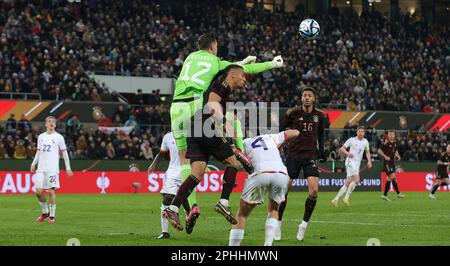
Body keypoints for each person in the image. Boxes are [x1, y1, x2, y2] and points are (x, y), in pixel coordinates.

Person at [169, 32, 284, 221]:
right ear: (213, 47)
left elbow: (230, 70)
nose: (244, 80)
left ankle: (186, 206)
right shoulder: (216, 67)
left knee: (185, 163)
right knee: (234, 157)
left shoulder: (190, 57)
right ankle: (224, 200)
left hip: (176, 107)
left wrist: (241, 62)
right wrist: (271, 64)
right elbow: (235, 72)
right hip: (196, 107)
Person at [163, 65, 254, 231]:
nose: (244, 79)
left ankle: (173, 208)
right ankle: (223, 202)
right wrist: (229, 142)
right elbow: (213, 105)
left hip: (195, 130)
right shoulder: (222, 86)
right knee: (234, 164)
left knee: (196, 174)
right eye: (242, 76)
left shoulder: (224, 90)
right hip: (206, 128)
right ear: (232, 75)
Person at [229, 129, 300, 246]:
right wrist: (280, 145)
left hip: (260, 173)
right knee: (274, 209)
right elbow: (296, 133)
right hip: (281, 173)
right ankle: (268, 245)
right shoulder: (270, 137)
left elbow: (236, 163)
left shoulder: (245, 143)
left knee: (242, 215)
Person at [277, 87, 326, 241]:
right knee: (284, 191)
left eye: (309, 95)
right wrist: (280, 144)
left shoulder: (320, 115)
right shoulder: (292, 113)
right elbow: (280, 129)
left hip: (310, 155)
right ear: (301, 98)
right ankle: (278, 222)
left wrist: (323, 151)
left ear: (314, 99)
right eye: (304, 95)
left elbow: (321, 134)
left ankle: (303, 225)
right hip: (294, 155)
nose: (306, 98)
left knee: (314, 191)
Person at [147, 132, 192, 238]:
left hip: (187, 172)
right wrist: (153, 164)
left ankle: (189, 216)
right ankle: (165, 232)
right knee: (167, 198)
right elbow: (162, 153)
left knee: (184, 199)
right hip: (172, 173)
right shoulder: (167, 137)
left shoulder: (191, 134)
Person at [30, 116, 73, 223]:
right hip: (41, 168)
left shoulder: (59, 137)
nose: (51, 123)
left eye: (53, 122)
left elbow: (64, 153)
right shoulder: (41, 137)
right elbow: (38, 151)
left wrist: (68, 168)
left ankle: (52, 216)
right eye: (49, 121)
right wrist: (33, 164)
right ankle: (45, 212)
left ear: (55, 124)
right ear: (45, 124)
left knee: (51, 191)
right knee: (38, 192)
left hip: (52, 169)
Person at [331, 126, 372, 207]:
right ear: (356, 132)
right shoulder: (351, 140)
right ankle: (346, 198)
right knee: (357, 179)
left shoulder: (366, 142)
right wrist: (348, 153)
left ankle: (335, 199)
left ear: (364, 133)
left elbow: (367, 152)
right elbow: (342, 149)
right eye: (359, 131)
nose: (360, 133)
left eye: (362, 131)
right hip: (350, 162)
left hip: (357, 163)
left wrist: (369, 160)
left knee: (348, 181)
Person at [378, 130, 405, 201]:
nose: (391, 136)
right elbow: (379, 151)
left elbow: (395, 150)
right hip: (387, 163)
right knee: (392, 177)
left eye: (392, 135)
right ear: (388, 135)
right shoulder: (386, 142)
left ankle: (385, 195)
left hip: (392, 163)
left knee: (390, 178)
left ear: (394, 135)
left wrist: (398, 155)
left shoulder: (395, 143)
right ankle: (398, 193)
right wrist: (385, 156)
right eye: (390, 135)